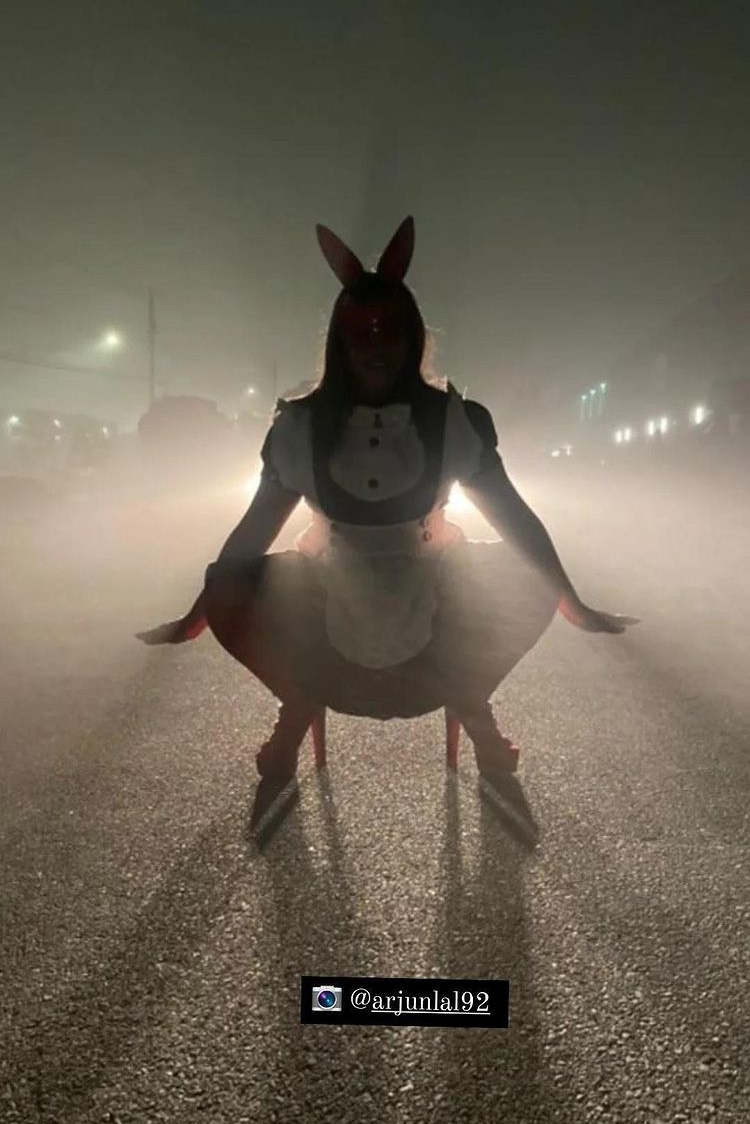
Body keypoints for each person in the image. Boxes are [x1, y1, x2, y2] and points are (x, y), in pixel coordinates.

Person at [136, 216, 638, 784]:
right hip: (328, 607)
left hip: (433, 606)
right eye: (360, 331)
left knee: (519, 576)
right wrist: (200, 609)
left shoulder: (456, 421)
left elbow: (516, 518)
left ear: (413, 334)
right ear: (339, 339)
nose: (376, 344)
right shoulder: (299, 428)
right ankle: (301, 710)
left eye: (390, 329)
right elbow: (254, 531)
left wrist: (570, 598)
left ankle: (473, 713)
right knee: (230, 580)